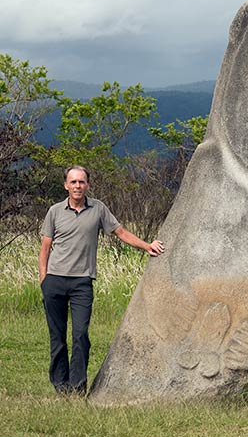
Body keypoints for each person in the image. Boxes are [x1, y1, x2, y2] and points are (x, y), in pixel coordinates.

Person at [38, 165, 164, 396]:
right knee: (57, 337)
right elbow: (45, 248)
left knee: (80, 335)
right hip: (55, 281)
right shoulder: (55, 211)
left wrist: (148, 246)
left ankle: (77, 387)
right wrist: (44, 280)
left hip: (81, 283)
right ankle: (60, 386)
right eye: (73, 182)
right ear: (66, 185)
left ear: (87, 185)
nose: (77, 186)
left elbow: (121, 232)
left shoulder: (98, 209)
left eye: (81, 182)